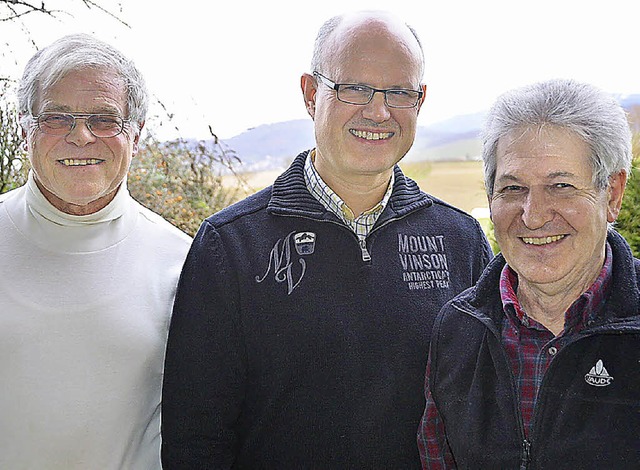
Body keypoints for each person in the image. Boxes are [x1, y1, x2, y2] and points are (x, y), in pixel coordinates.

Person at [162, 10, 492, 469]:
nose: (378, 112)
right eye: (354, 88)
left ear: (420, 101)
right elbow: (195, 440)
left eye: (399, 92)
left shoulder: (462, 241)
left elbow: (487, 416)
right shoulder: (230, 247)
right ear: (310, 93)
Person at [417, 78, 640, 468]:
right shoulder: (459, 330)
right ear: (490, 197)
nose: (534, 215)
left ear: (613, 193)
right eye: (513, 188)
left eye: (561, 185)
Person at [0, 34, 191, 469]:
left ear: (136, 135)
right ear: (24, 127)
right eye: (56, 118)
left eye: (105, 119)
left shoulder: (185, 264)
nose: (81, 136)